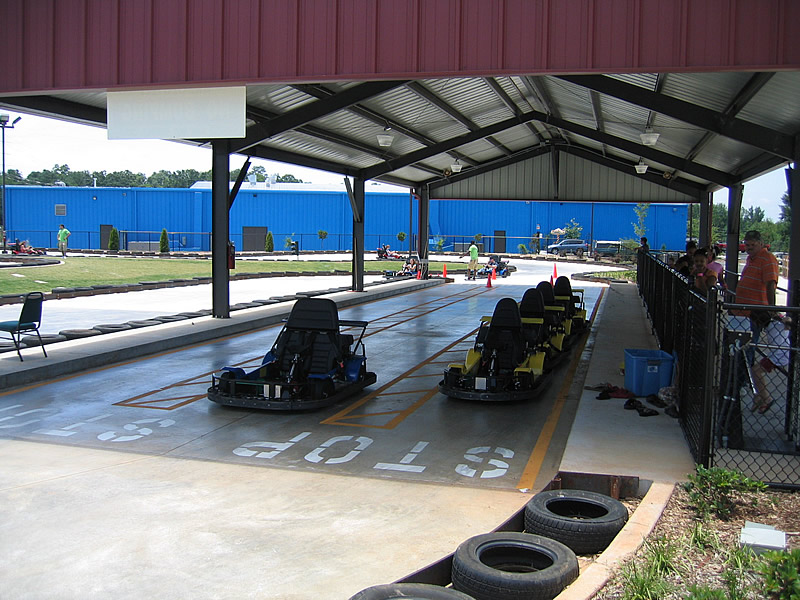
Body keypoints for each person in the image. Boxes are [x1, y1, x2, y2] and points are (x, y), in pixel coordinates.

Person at [734, 230, 780, 411]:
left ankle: (750, 390)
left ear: (761, 244)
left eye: (752, 244)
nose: (749, 247)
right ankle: (759, 395)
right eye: (747, 244)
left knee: (746, 353)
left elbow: (771, 284)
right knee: (744, 352)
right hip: (743, 313)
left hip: (753, 314)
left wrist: (771, 309)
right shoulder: (750, 260)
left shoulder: (768, 259)